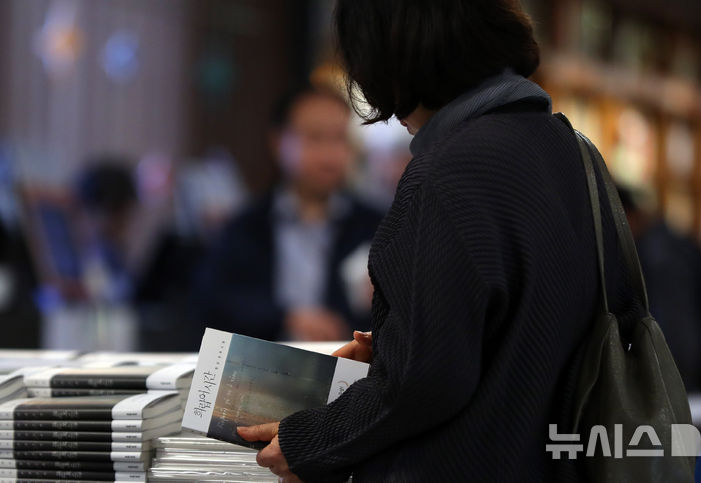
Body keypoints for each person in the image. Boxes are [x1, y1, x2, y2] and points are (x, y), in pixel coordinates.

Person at [236, 1, 646, 482]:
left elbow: (426, 381)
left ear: (393, 56)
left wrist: (308, 441)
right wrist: (402, 339)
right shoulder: (571, 151)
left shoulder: (448, 172)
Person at [193, 84, 383, 343]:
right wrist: (286, 317)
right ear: (278, 141)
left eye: (339, 138)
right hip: (258, 367)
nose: (330, 154)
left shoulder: (377, 226)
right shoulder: (245, 226)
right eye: (315, 137)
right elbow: (215, 302)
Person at [618, 186, 701, 392]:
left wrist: (674, 392)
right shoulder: (668, 244)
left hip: (680, 387)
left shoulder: (659, 256)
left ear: (627, 216)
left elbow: (679, 334)